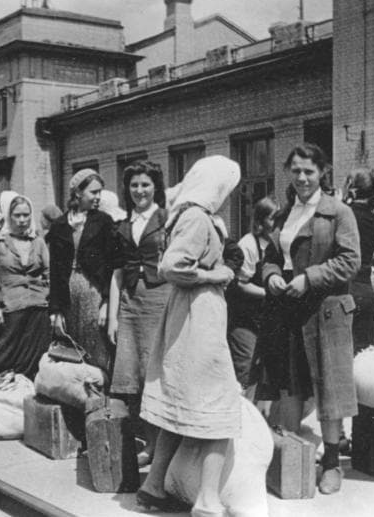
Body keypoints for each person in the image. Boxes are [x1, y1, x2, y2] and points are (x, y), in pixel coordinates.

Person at [136, 155, 241, 516]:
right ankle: (208, 500)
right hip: (199, 318)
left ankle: (153, 486)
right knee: (220, 408)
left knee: (183, 404)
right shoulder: (197, 217)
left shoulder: (187, 214)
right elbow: (172, 265)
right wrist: (217, 275)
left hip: (188, 314)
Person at [256, 143, 360, 495]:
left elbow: (349, 261)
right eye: (296, 170)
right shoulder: (286, 213)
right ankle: (292, 457)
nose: (302, 177)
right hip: (290, 311)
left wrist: (309, 278)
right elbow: (271, 256)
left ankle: (331, 464)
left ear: (322, 173)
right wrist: (270, 274)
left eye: (309, 171)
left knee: (329, 390)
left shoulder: (338, 213)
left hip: (327, 312)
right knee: (291, 385)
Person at [108, 162, 170, 467]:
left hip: (160, 301)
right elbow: (117, 272)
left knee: (156, 376)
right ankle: (150, 444)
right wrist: (113, 317)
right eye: (134, 185)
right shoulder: (123, 223)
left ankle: (162, 448)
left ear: (156, 186)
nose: (139, 191)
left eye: (145, 184)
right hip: (131, 303)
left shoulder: (168, 220)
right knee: (134, 378)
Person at [47, 168, 115, 376]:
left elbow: (111, 265)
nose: (97, 198)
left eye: (99, 193)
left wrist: (106, 301)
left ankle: (100, 393)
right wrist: (56, 310)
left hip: (92, 289)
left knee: (96, 342)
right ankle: (76, 395)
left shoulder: (103, 221)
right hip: (68, 290)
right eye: (93, 192)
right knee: (71, 343)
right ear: (78, 193)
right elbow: (55, 270)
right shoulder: (60, 225)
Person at [0, 193, 51, 379]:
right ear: (8, 216)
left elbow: (49, 273)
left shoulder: (38, 242)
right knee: (4, 357)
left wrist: (46, 296)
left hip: (38, 308)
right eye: (17, 215)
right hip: (11, 308)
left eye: (26, 215)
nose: (22, 220)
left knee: (35, 359)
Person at [225, 197, 278, 390]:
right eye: (273, 218)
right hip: (245, 318)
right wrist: (269, 292)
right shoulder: (248, 245)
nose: (277, 223)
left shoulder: (277, 244)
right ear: (260, 221)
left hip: (266, 317)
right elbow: (240, 284)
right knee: (247, 366)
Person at [343, 167, 374, 354]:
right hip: (367, 291)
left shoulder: (345, 214)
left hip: (346, 290)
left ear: (352, 187)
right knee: (364, 359)